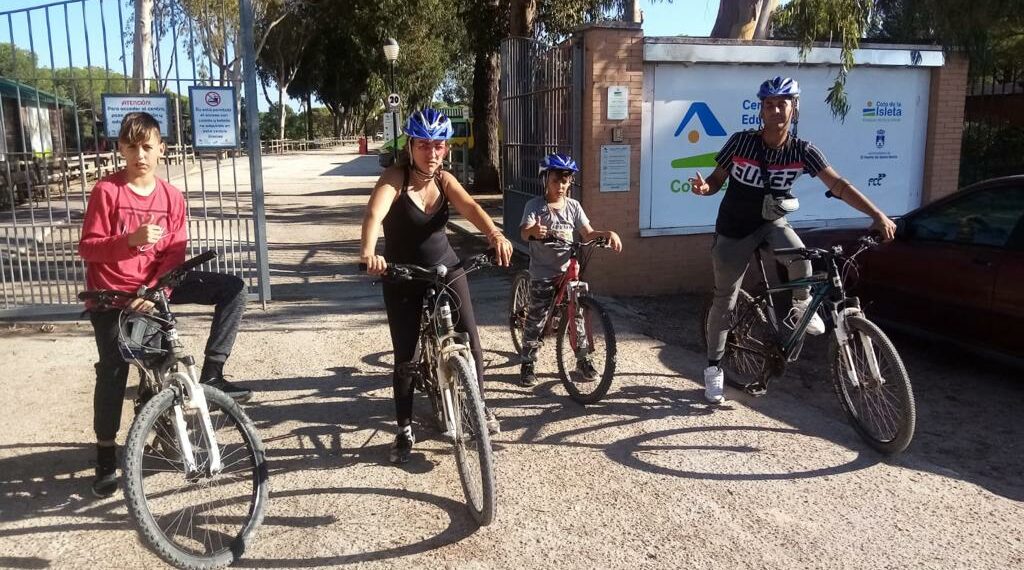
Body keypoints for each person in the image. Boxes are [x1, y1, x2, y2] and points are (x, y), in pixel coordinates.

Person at [690, 76, 897, 404]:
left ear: (794, 108)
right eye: (769, 104)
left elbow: (839, 185)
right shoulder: (740, 143)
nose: (775, 110)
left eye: (782, 104)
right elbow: (717, 179)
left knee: (801, 257)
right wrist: (705, 189)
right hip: (734, 228)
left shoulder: (804, 151)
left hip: (772, 222)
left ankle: (801, 307)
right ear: (761, 110)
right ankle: (714, 369)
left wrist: (877, 215)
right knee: (725, 300)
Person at [78, 112, 251, 497]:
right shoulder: (108, 192)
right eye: (132, 146)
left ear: (162, 149)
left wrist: (156, 293)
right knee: (114, 368)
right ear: (121, 149)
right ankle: (106, 454)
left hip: (153, 290)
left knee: (233, 289)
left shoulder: (172, 196)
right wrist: (129, 240)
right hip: (111, 294)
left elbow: (174, 251)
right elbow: (87, 248)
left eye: (148, 146)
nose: (140, 154)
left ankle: (212, 374)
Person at [360, 107, 513, 464]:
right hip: (402, 274)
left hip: (446, 265)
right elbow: (373, 215)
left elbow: (471, 206)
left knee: (471, 338)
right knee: (407, 356)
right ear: (410, 145)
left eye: (439, 145)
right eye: (425, 145)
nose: (432, 153)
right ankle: (404, 427)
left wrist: (494, 233)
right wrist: (369, 253)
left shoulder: (443, 179)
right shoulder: (394, 178)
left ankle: (481, 407)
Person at [518, 153, 622, 387]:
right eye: (556, 181)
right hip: (543, 271)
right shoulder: (535, 206)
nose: (561, 186)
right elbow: (524, 232)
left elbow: (587, 233)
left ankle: (583, 360)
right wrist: (533, 230)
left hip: (568, 269)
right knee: (537, 317)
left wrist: (607, 234)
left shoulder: (574, 207)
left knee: (577, 315)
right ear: (545, 180)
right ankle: (528, 362)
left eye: (566, 181)